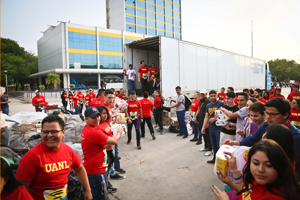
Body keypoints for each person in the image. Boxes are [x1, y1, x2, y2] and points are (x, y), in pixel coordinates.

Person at [16, 115, 93, 200]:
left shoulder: (67, 150)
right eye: (45, 132)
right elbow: (21, 189)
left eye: (54, 131)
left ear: (63, 132)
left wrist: (88, 190)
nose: (49, 135)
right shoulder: (31, 157)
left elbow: (80, 168)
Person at [223, 97, 300, 176]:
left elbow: (295, 166)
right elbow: (253, 139)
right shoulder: (267, 124)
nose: (268, 117)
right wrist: (235, 142)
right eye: (267, 113)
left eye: (272, 114)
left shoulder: (294, 136)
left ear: (285, 115)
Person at [213, 140, 300, 200]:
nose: (260, 169)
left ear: (280, 166)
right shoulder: (258, 179)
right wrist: (231, 180)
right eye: (256, 163)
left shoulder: (278, 197)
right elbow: (245, 193)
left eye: (268, 165)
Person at [82, 107, 123, 200]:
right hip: (96, 171)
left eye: (98, 116)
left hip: (95, 168)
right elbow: (113, 141)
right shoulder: (93, 132)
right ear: (86, 119)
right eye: (93, 117)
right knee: (100, 196)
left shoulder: (88, 128)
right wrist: (119, 133)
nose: (97, 119)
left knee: (100, 194)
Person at [96, 105, 118, 193]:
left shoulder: (106, 123)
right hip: (104, 152)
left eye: (106, 113)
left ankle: (107, 185)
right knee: (104, 172)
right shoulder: (98, 127)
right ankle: (105, 188)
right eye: (103, 114)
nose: (105, 115)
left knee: (108, 170)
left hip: (110, 150)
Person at [201, 90, 226, 163]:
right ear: (209, 97)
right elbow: (206, 117)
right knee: (213, 145)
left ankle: (220, 161)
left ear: (217, 96)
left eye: (214, 96)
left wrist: (215, 119)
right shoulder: (208, 105)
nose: (213, 97)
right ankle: (215, 159)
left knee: (219, 145)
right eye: (211, 96)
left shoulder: (222, 104)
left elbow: (225, 116)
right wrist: (203, 127)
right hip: (211, 129)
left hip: (219, 129)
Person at [194, 89, 213, 155]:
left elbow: (210, 113)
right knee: (203, 134)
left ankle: (210, 149)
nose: (202, 95)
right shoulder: (200, 101)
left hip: (206, 121)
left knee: (208, 135)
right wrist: (195, 116)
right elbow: (199, 109)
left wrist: (207, 122)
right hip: (201, 120)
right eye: (201, 94)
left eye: (203, 94)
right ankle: (206, 146)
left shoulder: (208, 101)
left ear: (206, 94)